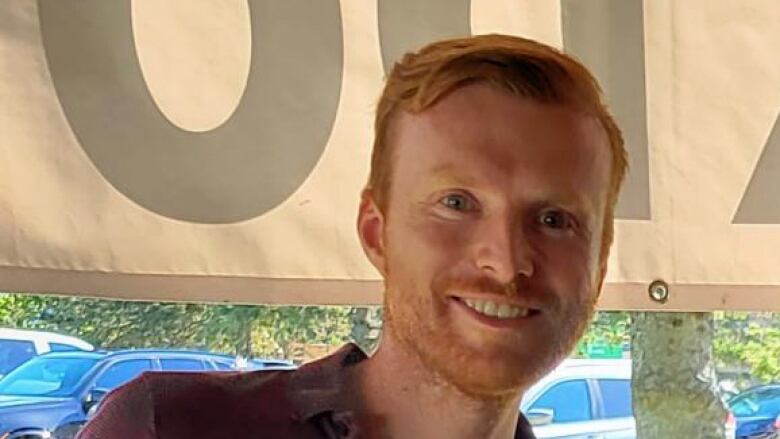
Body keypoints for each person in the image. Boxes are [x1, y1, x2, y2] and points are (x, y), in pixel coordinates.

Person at [78, 34, 627, 439]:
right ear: (376, 232)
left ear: (599, 264)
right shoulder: (170, 428)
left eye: (555, 220)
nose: (507, 264)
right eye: (456, 204)